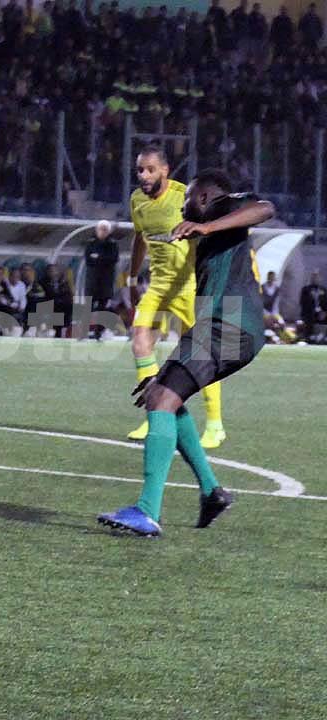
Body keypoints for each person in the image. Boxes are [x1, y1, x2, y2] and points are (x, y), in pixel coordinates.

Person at [98, 169, 274, 537]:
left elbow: (265, 208)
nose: (182, 208)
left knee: (161, 398)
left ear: (205, 197)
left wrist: (206, 226)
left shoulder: (225, 206)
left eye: (188, 199)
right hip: (225, 325)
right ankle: (212, 492)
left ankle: (147, 511)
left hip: (229, 322)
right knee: (165, 395)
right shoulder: (209, 229)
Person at [124, 146, 226, 448]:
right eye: (140, 170)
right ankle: (155, 413)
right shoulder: (137, 200)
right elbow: (140, 238)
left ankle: (215, 425)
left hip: (188, 287)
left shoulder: (185, 196)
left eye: (150, 169)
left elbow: (210, 232)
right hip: (158, 286)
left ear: (165, 171)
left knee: (201, 356)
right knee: (140, 339)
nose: (144, 175)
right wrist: (132, 277)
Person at [84, 220, 120, 340]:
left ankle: (98, 332)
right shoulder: (91, 242)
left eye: (105, 230)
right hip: (92, 281)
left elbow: (113, 259)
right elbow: (88, 259)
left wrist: (98, 257)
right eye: (100, 229)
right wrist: (102, 259)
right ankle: (84, 330)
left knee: (102, 308)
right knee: (87, 306)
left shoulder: (113, 244)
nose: (102, 232)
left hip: (105, 282)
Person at [42, 263, 74, 338]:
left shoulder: (64, 283)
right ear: (47, 272)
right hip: (50, 308)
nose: (53, 273)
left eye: (55, 271)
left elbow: (68, 296)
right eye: (51, 271)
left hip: (62, 309)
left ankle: (64, 332)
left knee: (69, 308)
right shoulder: (43, 283)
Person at [299, 270, 327, 343]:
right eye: (314, 276)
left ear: (320, 278)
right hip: (309, 313)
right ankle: (310, 337)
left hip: (321, 314)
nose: (315, 278)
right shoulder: (305, 289)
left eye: (317, 277)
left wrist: (324, 312)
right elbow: (303, 303)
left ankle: (324, 338)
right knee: (309, 317)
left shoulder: (324, 290)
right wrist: (315, 310)